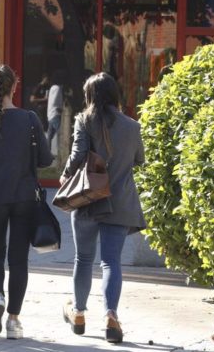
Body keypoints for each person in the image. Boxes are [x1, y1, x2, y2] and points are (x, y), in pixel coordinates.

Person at [60, 72, 146, 344]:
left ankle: (79, 314)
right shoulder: (132, 126)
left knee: (83, 259)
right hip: (119, 202)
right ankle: (111, 315)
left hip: (88, 200)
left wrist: (64, 176)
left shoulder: (84, 120)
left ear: (90, 96)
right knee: (111, 262)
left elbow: (77, 156)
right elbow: (139, 160)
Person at [0, 64, 51, 339]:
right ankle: (14, 320)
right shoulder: (29, 119)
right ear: (15, 87)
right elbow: (45, 159)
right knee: (18, 260)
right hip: (23, 196)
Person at [46, 71, 65, 156]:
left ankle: (47, 153)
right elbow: (54, 101)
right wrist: (60, 108)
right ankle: (61, 152)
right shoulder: (57, 88)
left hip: (50, 114)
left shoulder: (52, 88)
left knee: (50, 135)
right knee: (60, 133)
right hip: (55, 114)